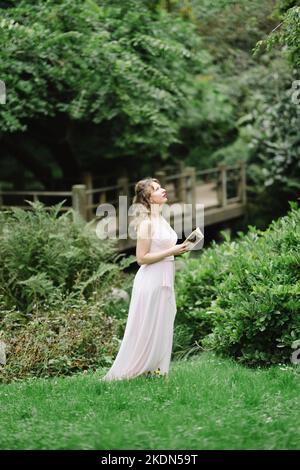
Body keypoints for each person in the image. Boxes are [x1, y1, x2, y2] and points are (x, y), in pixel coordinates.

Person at [101, 177, 189, 382]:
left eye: (161, 187)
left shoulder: (161, 220)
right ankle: (136, 370)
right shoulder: (146, 224)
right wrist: (173, 250)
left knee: (163, 323)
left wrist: (181, 248)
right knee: (148, 326)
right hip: (151, 281)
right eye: (158, 190)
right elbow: (141, 259)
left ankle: (156, 371)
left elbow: (163, 250)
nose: (164, 190)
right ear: (149, 198)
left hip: (165, 278)